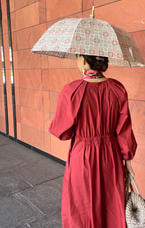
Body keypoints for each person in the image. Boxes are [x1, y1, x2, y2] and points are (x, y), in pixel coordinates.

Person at [49, 54, 137, 228]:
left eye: (77, 57)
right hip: (111, 155)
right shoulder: (117, 89)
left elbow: (62, 132)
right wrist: (127, 160)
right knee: (110, 203)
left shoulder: (72, 90)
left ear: (83, 60)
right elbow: (124, 129)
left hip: (82, 155)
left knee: (82, 206)